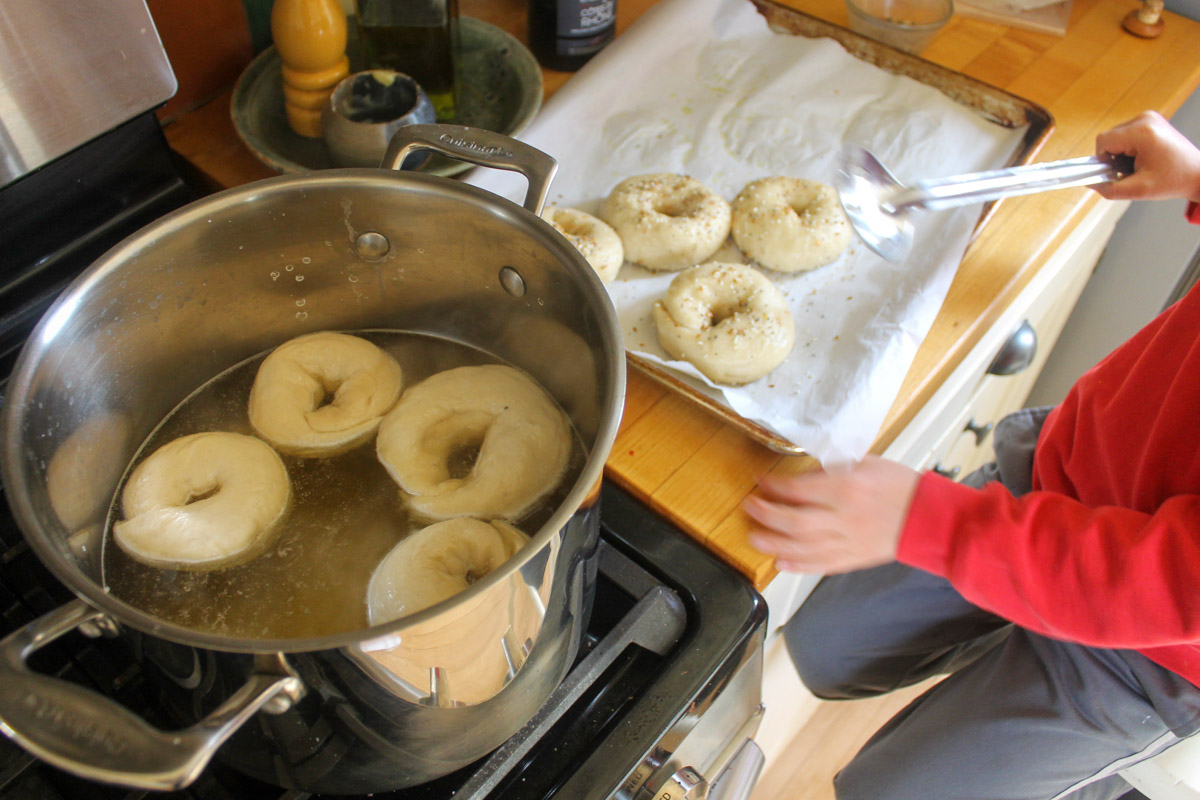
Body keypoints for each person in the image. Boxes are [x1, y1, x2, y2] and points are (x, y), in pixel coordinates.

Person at [743, 110, 1200, 800]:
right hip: (1070, 475)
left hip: (1154, 653)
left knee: (889, 793)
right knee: (826, 645)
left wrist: (933, 525)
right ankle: (1016, 605)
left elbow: (1171, 579)